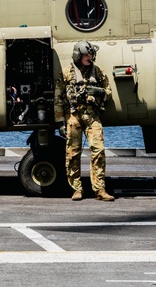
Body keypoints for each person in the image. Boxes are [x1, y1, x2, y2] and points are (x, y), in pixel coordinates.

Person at [55, 40, 114, 201]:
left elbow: (108, 92)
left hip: (92, 116)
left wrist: (100, 92)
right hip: (73, 117)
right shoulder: (67, 73)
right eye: (86, 54)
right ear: (78, 55)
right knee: (73, 154)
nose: (90, 57)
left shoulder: (98, 71)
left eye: (91, 54)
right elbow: (58, 98)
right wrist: (60, 122)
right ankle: (76, 189)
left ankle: (100, 189)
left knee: (99, 150)